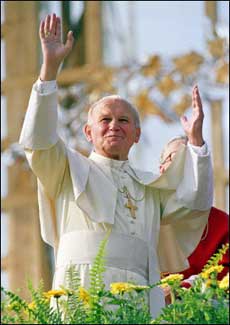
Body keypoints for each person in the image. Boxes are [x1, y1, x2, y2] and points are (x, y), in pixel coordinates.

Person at [19, 13, 213, 318]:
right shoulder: (67, 168)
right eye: (105, 120)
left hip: (139, 292)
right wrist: (49, 71)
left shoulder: (150, 188)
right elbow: (39, 140)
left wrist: (197, 144)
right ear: (88, 132)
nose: (114, 126)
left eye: (123, 121)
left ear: (137, 134)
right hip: (80, 288)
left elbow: (195, 203)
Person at [159, 135, 229, 303]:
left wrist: (185, 288)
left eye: (190, 158)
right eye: (175, 157)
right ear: (161, 169)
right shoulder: (147, 214)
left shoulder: (222, 223)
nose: (183, 164)